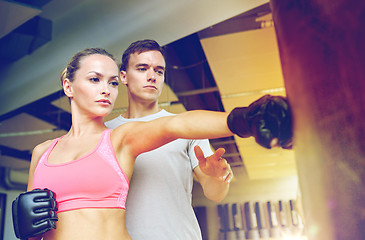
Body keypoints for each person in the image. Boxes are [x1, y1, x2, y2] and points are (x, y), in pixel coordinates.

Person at [11, 47, 292, 240]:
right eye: (95, 79)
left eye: (111, 83)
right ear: (68, 85)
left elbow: (176, 125)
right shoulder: (42, 152)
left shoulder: (119, 138)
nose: (106, 90)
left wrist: (243, 120)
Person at [105, 39, 233, 239]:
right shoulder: (105, 132)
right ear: (124, 76)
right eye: (142, 68)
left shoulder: (187, 127)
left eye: (159, 71)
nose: (152, 76)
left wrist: (218, 178)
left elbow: (214, 193)